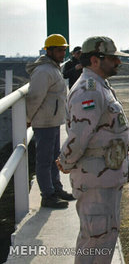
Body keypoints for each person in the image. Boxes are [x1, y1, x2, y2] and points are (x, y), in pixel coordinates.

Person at [56, 36, 129, 263]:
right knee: (95, 241)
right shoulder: (88, 90)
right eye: (113, 58)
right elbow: (79, 136)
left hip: (105, 178)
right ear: (95, 60)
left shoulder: (100, 86)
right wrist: (66, 161)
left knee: (103, 239)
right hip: (96, 180)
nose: (118, 62)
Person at [26, 34, 74, 209]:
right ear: (50, 50)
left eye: (64, 50)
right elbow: (34, 97)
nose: (63, 53)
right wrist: (28, 119)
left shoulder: (53, 68)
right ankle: (47, 195)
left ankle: (56, 189)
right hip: (44, 123)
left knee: (54, 159)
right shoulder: (44, 71)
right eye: (60, 50)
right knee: (45, 161)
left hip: (52, 121)